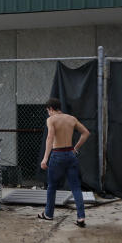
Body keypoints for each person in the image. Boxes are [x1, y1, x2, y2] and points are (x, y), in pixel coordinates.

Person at [39, 97, 90, 227]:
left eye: (48, 110)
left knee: (52, 186)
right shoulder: (71, 119)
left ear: (50, 109)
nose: (48, 113)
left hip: (57, 155)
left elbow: (50, 138)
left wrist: (45, 158)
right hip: (70, 155)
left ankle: (48, 214)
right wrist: (75, 148)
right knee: (75, 187)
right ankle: (81, 217)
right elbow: (86, 133)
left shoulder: (51, 119)